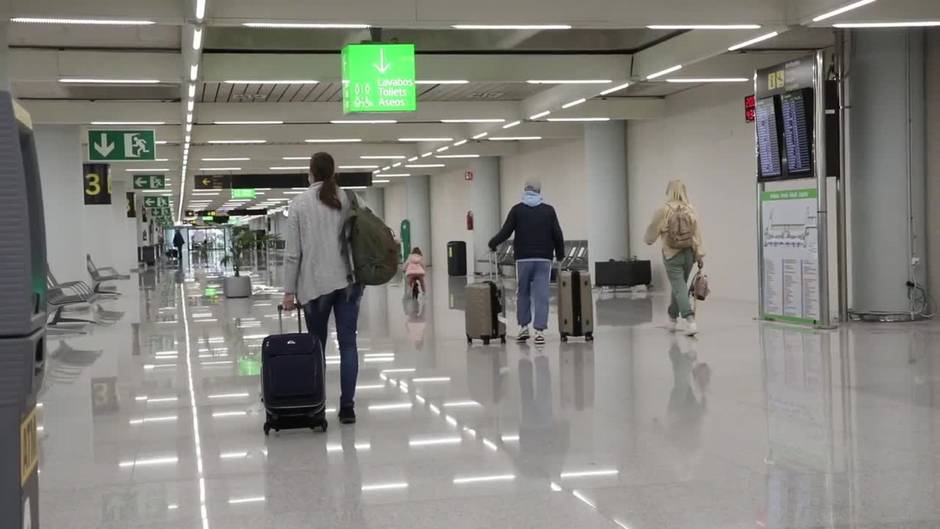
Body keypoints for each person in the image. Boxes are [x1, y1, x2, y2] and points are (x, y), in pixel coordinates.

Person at [282, 152, 363, 425]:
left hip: (315, 286)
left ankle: (317, 406)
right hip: (349, 283)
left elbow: (293, 253)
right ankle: (348, 407)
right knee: (348, 346)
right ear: (333, 171)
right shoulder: (350, 198)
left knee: (317, 348)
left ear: (311, 173)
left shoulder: (299, 204)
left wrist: (289, 292)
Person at [489, 181, 565, 346]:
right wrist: (560, 255)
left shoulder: (517, 210)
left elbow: (506, 231)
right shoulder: (548, 210)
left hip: (523, 259)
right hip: (544, 259)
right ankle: (539, 331)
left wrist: (493, 243)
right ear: (539, 192)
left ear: (525, 192)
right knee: (541, 295)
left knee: (522, 292)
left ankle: (523, 328)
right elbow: (557, 233)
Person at [644, 180, 705, 336]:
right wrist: (699, 255)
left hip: (672, 255)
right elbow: (697, 235)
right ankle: (672, 319)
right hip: (689, 254)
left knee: (679, 288)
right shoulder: (690, 210)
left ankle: (690, 321)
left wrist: (654, 234)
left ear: (668, 191)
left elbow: (649, 237)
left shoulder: (663, 210)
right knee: (680, 287)